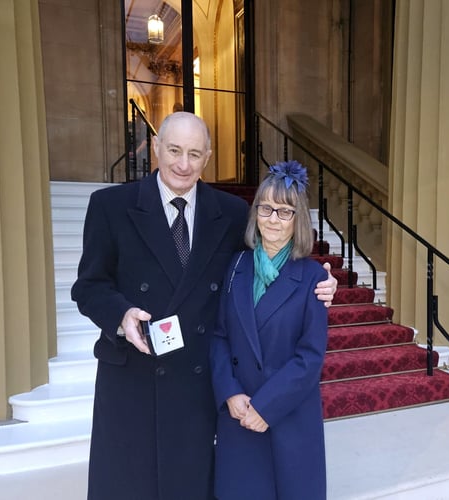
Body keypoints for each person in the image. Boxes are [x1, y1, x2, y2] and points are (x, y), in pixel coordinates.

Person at [71, 112, 336, 500]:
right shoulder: (111, 205)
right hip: (133, 373)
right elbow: (89, 286)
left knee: (190, 483)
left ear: (208, 157)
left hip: (196, 377)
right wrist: (121, 315)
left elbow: (268, 266)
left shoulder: (229, 213)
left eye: (194, 154)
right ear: (156, 147)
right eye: (174, 150)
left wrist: (323, 282)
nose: (183, 164)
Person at [210, 160, 328, 500]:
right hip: (240, 412)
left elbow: (309, 358)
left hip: (287, 415)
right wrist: (229, 392)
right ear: (255, 212)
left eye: (285, 211)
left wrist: (267, 407)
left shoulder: (314, 278)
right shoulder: (236, 266)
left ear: (298, 219)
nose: (273, 219)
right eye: (266, 208)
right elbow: (220, 336)